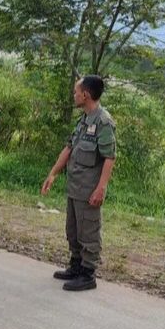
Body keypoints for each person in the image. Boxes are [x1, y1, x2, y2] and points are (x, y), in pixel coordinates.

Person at [41, 75, 116, 291]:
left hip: (89, 190)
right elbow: (69, 148)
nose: (74, 95)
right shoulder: (83, 120)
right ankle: (75, 266)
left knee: (88, 232)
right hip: (75, 187)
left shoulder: (103, 122)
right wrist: (53, 173)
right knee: (72, 230)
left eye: (76, 92)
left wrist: (101, 188)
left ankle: (87, 274)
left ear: (86, 94)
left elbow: (109, 157)